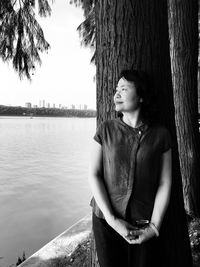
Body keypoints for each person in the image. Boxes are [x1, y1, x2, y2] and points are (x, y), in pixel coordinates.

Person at [88, 69, 173, 267]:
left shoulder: (161, 134)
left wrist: (154, 227)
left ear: (141, 96)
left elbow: (165, 182)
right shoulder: (105, 129)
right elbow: (94, 174)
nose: (116, 94)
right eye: (116, 89)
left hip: (143, 225)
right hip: (106, 223)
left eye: (124, 89)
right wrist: (112, 220)